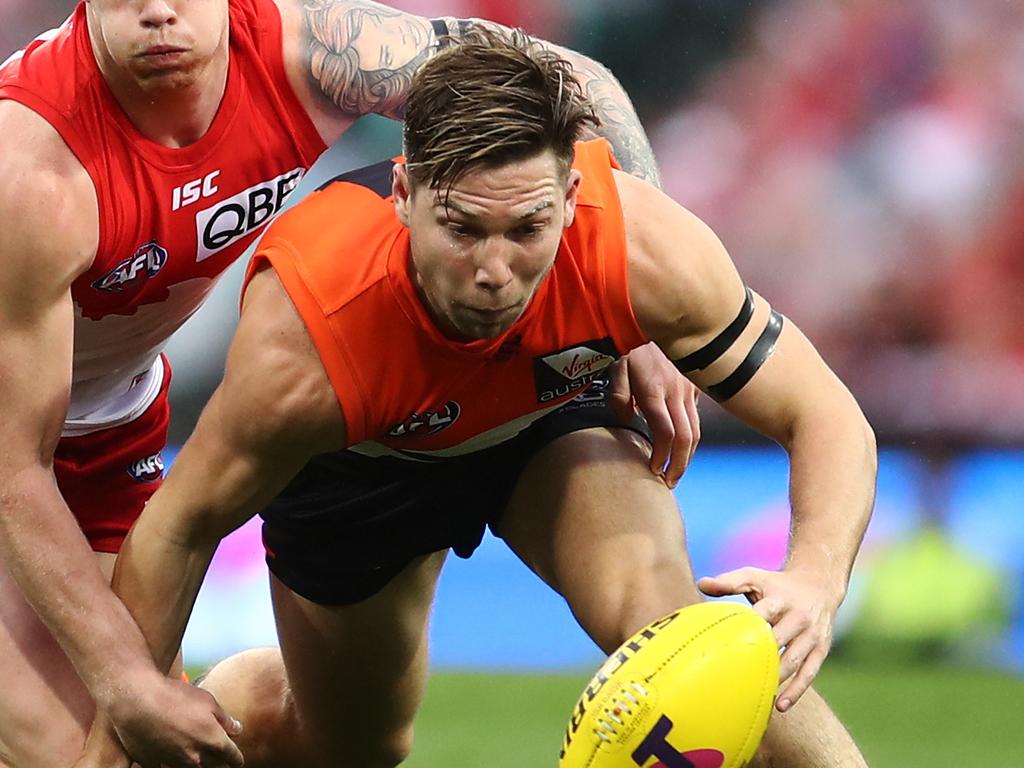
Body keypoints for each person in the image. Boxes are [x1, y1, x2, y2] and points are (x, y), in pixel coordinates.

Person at [80, 30, 877, 768]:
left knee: (684, 638)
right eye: (463, 230)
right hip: (357, 466)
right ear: (403, 193)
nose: (496, 273)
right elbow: (177, 531)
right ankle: (245, 694)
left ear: (571, 197)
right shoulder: (307, 340)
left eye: (527, 229)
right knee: (350, 748)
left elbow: (827, 415)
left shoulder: (643, 249)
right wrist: (131, 705)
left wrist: (812, 579)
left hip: (544, 423)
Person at [0, 3, 701, 766]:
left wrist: (636, 301)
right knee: (74, 747)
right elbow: (12, 468)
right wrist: (122, 678)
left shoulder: (310, 53)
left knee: (234, 732)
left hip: (108, 424)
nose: (160, 10)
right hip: (15, 446)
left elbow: (578, 80)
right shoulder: (32, 174)